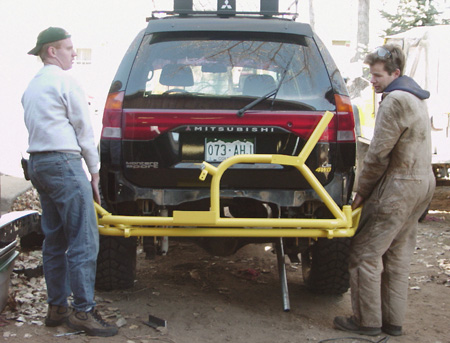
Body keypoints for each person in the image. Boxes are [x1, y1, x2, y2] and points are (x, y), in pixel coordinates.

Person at [333, 44, 435, 336]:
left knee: (365, 252)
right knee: (397, 255)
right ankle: (393, 322)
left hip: (399, 186)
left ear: (395, 73)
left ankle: (366, 322)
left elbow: (378, 155)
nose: (373, 81)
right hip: (422, 184)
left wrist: (362, 191)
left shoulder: (394, 101)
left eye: (377, 75)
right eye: (371, 75)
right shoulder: (417, 98)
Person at [22, 27, 118, 337]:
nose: (74, 53)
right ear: (52, 51)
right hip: (64, 163)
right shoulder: (66, 81)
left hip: (38, 164)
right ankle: (84, 312)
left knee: (54, 239)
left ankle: (57, 308)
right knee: (84, 239)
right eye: (68, 48)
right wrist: (95, 171)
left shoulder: (32, 87)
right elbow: (83, 130)